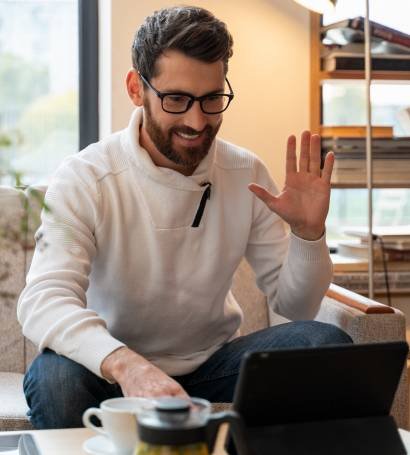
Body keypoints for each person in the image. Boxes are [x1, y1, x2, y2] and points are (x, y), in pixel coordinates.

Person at [18, 5, 352, 429]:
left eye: (212, 99)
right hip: (107, 369)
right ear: (136, 89)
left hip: (213, 368)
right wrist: (127, 365)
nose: (197, 122)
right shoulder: (85, 178)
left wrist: (309, 235)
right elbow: (42, 301)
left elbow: (297, 308)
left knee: (326, 344)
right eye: (176, 99)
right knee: (55, 380)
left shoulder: (245, 173)